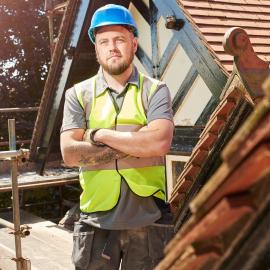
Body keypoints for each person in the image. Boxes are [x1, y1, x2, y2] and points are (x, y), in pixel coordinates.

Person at [60, 4, 174, 270]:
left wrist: (98, 134)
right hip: (95, 219)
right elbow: (69, 153)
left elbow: (159, 142)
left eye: (120, 40)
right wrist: (138, 140)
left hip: (148, 218)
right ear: (97, 49)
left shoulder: (156, 90)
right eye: (104, 42)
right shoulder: (77, 94)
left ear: (134, 44)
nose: (112, 47)